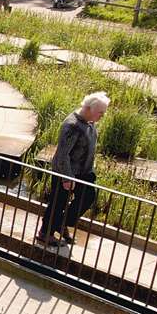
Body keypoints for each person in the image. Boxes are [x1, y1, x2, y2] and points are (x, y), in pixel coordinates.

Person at [34, 91, 108, 251]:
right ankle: (45, 233)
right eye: (100, 112)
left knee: (88, 196)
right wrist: (67, 178)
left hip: (83, 172)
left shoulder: (89, 122)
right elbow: (62, 154)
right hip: (66, 171)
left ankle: (61, 223)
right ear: (89, 108)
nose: (102, 116)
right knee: (57, 202)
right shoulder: (73, 125)